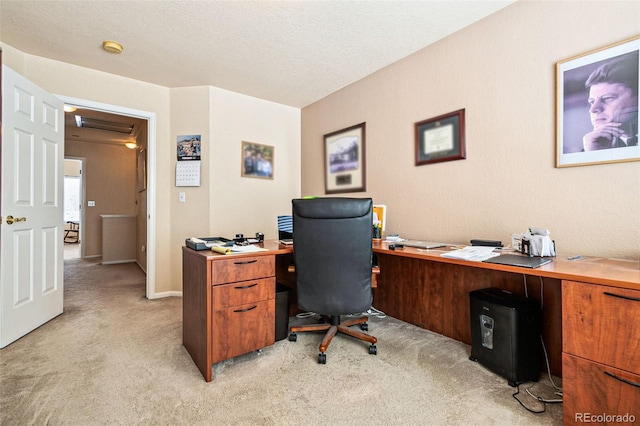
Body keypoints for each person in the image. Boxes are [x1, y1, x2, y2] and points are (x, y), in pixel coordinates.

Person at [582, 52, 638, 151]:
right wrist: (595, 156)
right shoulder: (592, 147)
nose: (593, 109)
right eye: (592, 102)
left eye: (607, 98)